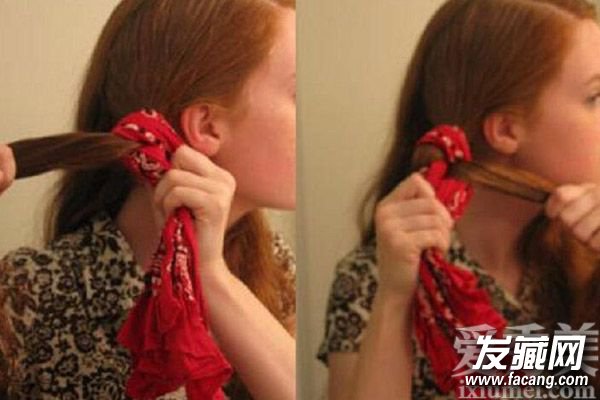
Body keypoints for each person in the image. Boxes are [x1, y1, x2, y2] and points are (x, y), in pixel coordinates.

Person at [0, 0, 296, 399]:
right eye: (299, 93)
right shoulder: (29, 292)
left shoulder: (273, 265)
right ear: (207, 125)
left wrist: (211, 275)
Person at [318, 0, 600, 398]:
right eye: (595, 97)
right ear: (506, 130)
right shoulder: (377, 277)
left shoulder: (579, 254)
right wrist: (395, 300)